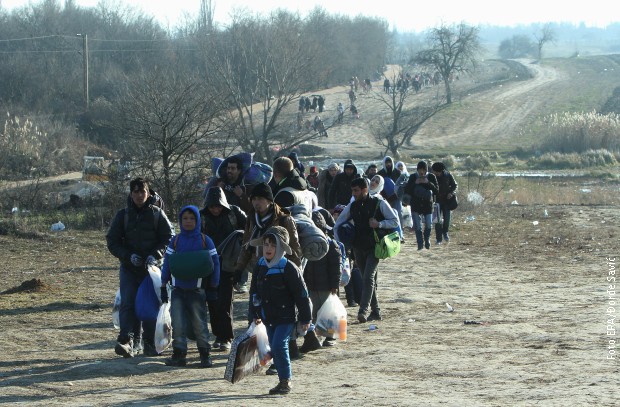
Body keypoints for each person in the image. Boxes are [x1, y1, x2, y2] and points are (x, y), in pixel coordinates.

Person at [106, 177, 173, 358]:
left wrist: (155, 255)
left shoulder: (157, 214)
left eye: (142, 191)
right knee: (128, 303)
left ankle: (150, 342)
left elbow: (168, 238)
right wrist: (128, 256)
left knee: (149, 305)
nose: (139, 195)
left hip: (150, 271)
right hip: (129, 268)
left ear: (148, 192)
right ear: (130, 194)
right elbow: (112, 241)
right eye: (135, 191)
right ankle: (127, 341)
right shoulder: (123, 215)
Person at [248, 226, 312, 395]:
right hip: (267, 316)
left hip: (286, 317)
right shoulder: (260, 266)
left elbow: (301, 295)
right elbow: (254, 292)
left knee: (278, 345)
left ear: (282, 247)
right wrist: (254, 314)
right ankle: (282, 379)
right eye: (266, 244)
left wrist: (306, 318)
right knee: (274, 346)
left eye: (272, 245)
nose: (268, 248)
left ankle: (285, 381)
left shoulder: (288, 267)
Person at [159, 205, 220, 368]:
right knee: (177, 323)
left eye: (192, 218)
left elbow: (215, 263)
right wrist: (163, 284)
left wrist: (214, 285)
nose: (188, 221)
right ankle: (179, 354)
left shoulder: (205, 240)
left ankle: (205, 355)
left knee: (199, 323)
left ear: (198, 220)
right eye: (185, 218)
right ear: (180, 220)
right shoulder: (176, 240)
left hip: (197, 290)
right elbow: (167, 263)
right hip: (178, 290)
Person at [334, 177, 399, 323]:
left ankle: (363, 311)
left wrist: (379, 224)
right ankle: (376, 311)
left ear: (365, 189)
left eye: (356, 190)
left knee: (368, 278)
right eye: (352, 190)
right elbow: (338, 224)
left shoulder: (379, 203)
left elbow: (394, 220)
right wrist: (341, 243)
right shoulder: (352, 206)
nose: (354, 193)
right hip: (358, 248)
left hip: (375, 247)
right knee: (366, 279)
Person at [201, 187, 247, 351]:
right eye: (212, 206)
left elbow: (248, 229)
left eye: (218, 206)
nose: (215, 209)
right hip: (209, 265)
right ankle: (219, 336)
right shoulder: (202, 217)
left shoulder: (233, 213)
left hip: (228, 265)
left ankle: (226, 336)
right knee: (212, 301)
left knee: (225, 301)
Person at [299, 211, 342, 353]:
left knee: (328, 313)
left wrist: (334, 286)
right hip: (311, 285)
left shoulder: (331, 244)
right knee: (314, 312)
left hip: (326, 286)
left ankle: (330, 336)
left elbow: (336, 267)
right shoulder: (306, 245)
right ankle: (317, 336)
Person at [404, 161, 439, 250]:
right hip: (415, 204)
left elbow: (436, 191)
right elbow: (407, 190)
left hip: (428, 204)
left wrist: (428, 182)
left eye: (423, 169)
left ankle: (427, 239)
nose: (421, 172)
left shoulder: (431, 176)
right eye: (420, 169)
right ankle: (420, 243)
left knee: (428, 224)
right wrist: (415, 183)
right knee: (418, 226)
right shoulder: (413, 177)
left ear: (426, 170)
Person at [431, 162, 458, 244]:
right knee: (437, 221)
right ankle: (438, 239)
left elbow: (455, 185)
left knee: (447, 219)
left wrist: (451, 193)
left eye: (437, 172)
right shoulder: (431, 177)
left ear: (441, 171)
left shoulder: (448, 175)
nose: (435, 173)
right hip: (435, 201)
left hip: (447, 201)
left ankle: (445, 232)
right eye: (434, 172)